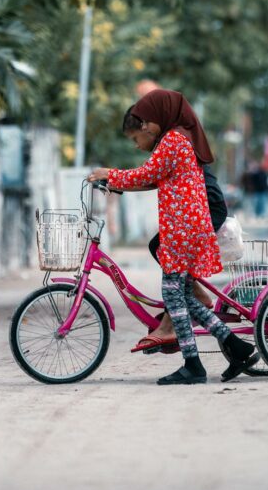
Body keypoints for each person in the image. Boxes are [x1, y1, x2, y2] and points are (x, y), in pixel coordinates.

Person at [88, 90, 258, 385]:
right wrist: (114, 182)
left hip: (183, 229)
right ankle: (236, 346)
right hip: (183, 227)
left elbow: (145, 175)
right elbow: (154, 178)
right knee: (179, 295)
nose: (140, 136)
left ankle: (194, 365)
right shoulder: (178, 139)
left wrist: (109, 173)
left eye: (140, 129)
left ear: (154, 120)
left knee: (173, 294)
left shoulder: (174, 140)